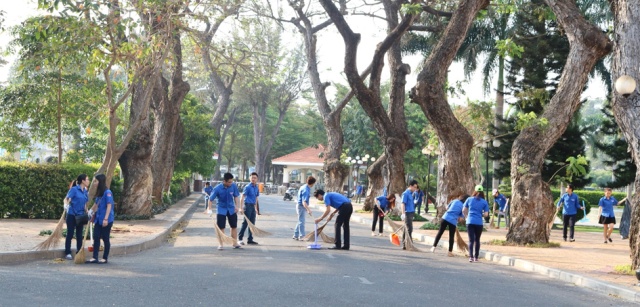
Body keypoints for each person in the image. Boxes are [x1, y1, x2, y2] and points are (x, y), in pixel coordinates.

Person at [86, 174, 114, 264]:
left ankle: (105, 258)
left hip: (106, 219)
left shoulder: (107, 192)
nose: (94, 183)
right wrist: (90, 211)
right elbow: (96, 205)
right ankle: (95, 257)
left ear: (100, 182)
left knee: (105, 238)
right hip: (98, 219)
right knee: (96, 236)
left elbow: (109, 206)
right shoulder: (100, 193)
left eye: (96, 181)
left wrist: (106, 219)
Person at [210, 173, 241, 250]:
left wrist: (237, 207)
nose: (231, 183)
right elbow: (210, 199)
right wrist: (209, 209)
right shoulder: (217, 188)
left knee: (234, 226)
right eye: (229, 182)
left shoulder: (233, 186)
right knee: (221, 228)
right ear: (224, 181)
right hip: (221, 209)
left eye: (231, 182)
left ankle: (235, 243)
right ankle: (221, 244)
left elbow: (236, 197)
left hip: (231, 209)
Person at [63, 174, 89, 260]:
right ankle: (67, 252)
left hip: (81, 215)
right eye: (87, 179)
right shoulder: (74, 189)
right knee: (70, 234)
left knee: (79, 234)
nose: (88, 181)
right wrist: (66, 205)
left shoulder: (85, 191)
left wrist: (87, 211)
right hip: (72, 215)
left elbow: (85, 203)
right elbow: (67, 199)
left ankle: (79, 252)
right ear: (82, 181)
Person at [463, 185, 489, 262]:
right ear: (482, 192)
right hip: (479, 223)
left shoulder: (469, 199)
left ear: (474, 191)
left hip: (470, 221)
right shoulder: (484, 202)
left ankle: (470, 257)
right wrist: (481, 214)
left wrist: (466, 217)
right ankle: (476, 257)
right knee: (477, 240)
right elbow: (486, 214)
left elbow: (464, 210)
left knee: (471, 240)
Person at [238, 172, 260, 245]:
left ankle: (250, 239)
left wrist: (256, 208)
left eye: (255, 178)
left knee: (252, 223)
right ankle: (240, 238)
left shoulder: (256, 187)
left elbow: (256, 198)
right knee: (245, 223)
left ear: (257, 179)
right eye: (252, 177)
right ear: (249, 178)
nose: (253, 179)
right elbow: (242, 197)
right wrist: (241, 208)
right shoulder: (247, 187)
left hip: (252, 207)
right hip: (247, 206)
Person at [401, 180, 419, 250]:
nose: (415, 189)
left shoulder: (411, 193)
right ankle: (408, 243)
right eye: (414, 187)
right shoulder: (405, 193)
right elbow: (403, 203)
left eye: (416, 187)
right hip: (407, 213)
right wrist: (403, 213)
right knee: (409, 229)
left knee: (407, 229)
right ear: (410, 186)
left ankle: (405, 244)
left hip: (411, 213)